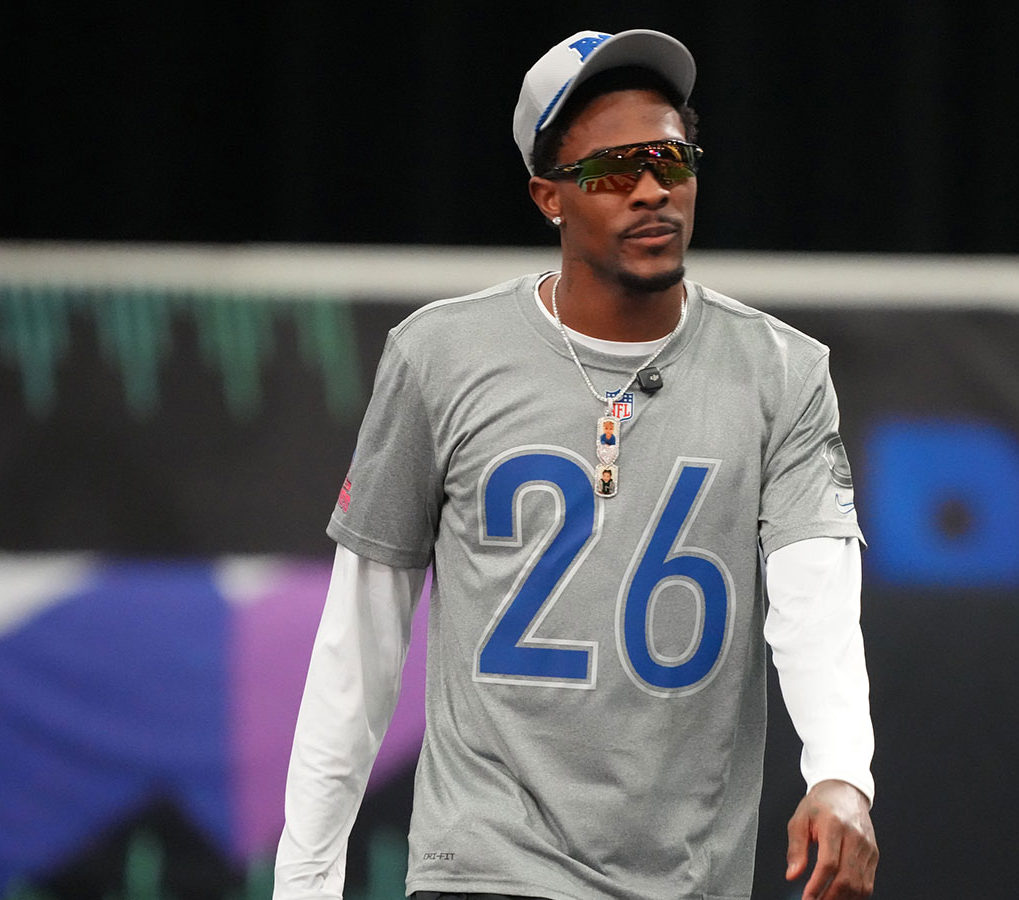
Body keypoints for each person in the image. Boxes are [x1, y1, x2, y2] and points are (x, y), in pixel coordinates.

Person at [275, 28, 878, 900]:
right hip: (486, 867)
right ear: (548, 197)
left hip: (686, 877)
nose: (651, 190)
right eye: (611, 170)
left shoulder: (782, 371)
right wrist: (304, 876)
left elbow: (815, 596)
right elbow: (362, 635)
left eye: (672, 158)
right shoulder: (439, 357)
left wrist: (841, 774)